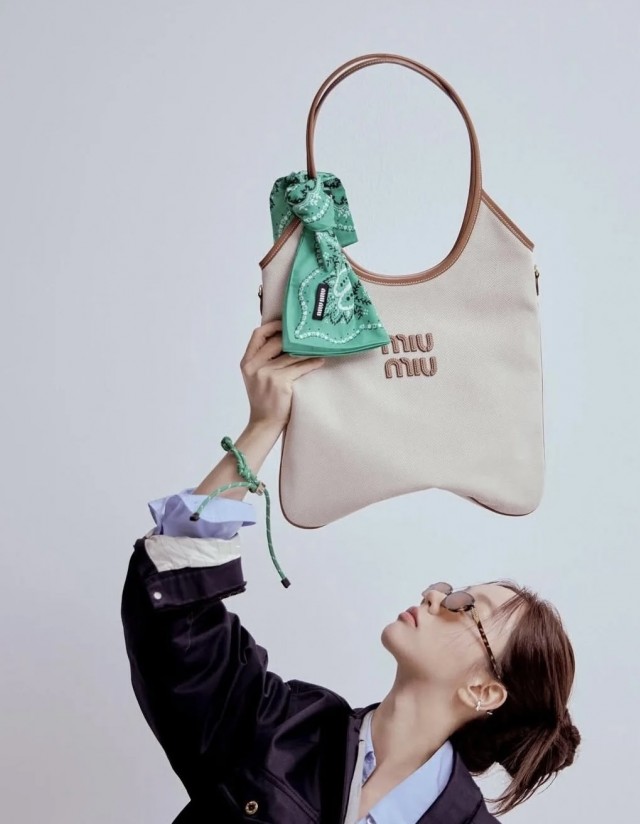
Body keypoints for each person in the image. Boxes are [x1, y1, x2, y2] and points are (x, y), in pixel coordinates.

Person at [121, 320, 580, 824]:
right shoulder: (283, 731)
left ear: (484, 691)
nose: (434, 598)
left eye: (464, 606)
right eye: (448, 590)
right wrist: (263, 426)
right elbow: (173, 601)